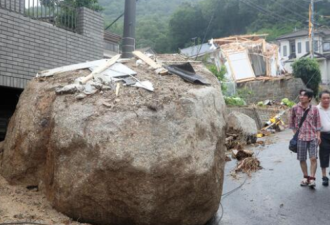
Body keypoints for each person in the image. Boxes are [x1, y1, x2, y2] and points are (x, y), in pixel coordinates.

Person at [290, 89, 321, 187]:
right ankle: (305, 177)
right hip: (301, 138)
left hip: (312, 137)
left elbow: (318, 124)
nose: (301, 97)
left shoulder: (315, 109)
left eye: (304, 95)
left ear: (310, 98)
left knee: (313, 158)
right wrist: (296, 134)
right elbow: (291, 123)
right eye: (300, 95)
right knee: (302, 159)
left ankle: (312, 178)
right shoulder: (295, 108)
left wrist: (318, 136)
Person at [317, 90, 330, 186]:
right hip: (323, 135)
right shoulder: (316, 109)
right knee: (324, 155)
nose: (326, 100)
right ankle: (324, 176)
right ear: (320, 99)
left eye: (328, 98)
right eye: (324, 98)